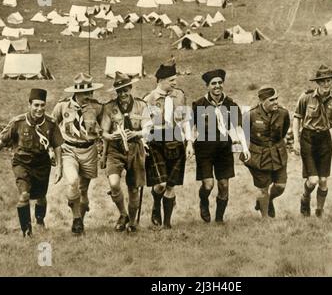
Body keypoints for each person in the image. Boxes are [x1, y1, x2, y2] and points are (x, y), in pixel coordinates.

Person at [0, 89, 63, 237]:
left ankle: (40, 221)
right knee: (24, 195)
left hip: (42, 164)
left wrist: (59, 167)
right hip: (22, 163)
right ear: (29, 105)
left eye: (42, 105)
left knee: (41, 196)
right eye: (36, 105)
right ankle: (26, 231)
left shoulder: (50, 123)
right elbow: (2, 141)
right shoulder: (18, 122)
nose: (39, 109)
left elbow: (58, 145)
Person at [191, 69, 250, 223]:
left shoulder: (230, 103)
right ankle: (203, 201)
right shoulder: (198, 104)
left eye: (219, 83)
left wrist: (244, 147)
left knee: (223, 185)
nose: (217, 86)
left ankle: (219, 219)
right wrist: (189, 145)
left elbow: (238, 127)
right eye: (213, 83)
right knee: (208, 185)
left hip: (224, 149)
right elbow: (191, 128)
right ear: (207, 86)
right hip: (204, 150)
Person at [143, 60, 194, 229]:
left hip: (176, 141)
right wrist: (144, 143)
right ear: (160, 81)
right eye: (171, 80)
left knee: (171, 185)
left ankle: (167, 224)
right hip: (156, 142)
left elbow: (186, 120)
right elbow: (145, 125)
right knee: (160, 185)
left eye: (175, 79)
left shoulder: (180, 95)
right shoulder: (149, 99)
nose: (175, 82)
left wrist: (189, 143)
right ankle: (156, 204)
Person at [100, 72, 152, 233]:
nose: (122, 94)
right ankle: (123, 214)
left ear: (130, 88)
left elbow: (148, 128)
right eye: (119, 91)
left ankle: (132, 222)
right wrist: (111, 135)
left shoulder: (141, 105)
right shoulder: (109, 107)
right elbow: (103, 132)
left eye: (125, 90)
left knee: (134, 188)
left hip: (136, 148)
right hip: (115, 149)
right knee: (114, 183)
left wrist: (137, 134)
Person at [52, 73, 103, 235]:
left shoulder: (97, 107)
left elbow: (105, 127)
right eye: (85, 93)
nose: (89, 96)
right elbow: (51, 128)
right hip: (69, 149)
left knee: (83, 190)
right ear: (76, 92)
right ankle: (76, 218)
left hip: (89, 150)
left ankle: (79, 222)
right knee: (72, 181)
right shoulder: (62, 106)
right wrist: (51, 150)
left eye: (91, 92)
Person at [293, 65, 332, 217]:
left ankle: (319, 211)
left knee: (323, 180)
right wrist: (296, 140)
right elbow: (297, 118)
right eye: (322, 81)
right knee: (313, 180)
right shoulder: (306, 97)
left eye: (329, 81)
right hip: (308, 138)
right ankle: (305, 197)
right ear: (317, 83)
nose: (326, 84)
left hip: (324, 139)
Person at [242, 87, 290, 218]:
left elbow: (284, 130)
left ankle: (268, 201)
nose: (276, 102)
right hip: (258, 155)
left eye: (276, 99)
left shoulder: (283, 113)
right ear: (262, 101)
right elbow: (243, 135)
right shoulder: (250, 115)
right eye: (271, 100)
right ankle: (265, 219)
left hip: (278, 153)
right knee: (263, 189)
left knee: (280, 186)